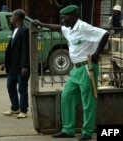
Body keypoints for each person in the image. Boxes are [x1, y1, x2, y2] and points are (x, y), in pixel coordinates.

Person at [32, 5, 109, 140]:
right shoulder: (68, 28)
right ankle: (68, 129)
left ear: (74, 16)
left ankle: (87, 131)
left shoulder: (84, 27)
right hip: (75, 69)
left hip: (87, 68)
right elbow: (58, 28)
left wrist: (97, 53)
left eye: (64, 17)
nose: (62, 20)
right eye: (61, 17)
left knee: (88, 101)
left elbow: (105, 34)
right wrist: (41, 24)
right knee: (66, 96)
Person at [0, 9, 30, 119]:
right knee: (10, 86)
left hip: (21, 66)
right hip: (12, 65)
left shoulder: (25, 29)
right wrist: (4, 63)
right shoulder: (15, 29)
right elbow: (10, 48)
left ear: (17, 17)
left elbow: (25, 50)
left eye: (12, 16)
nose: (11, 18)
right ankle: (15, 108)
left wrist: (24, 66)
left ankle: (23, 110)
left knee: (22, 88)